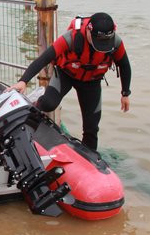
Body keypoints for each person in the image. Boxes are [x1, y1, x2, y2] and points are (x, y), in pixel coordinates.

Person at [9, 12, 131, 152]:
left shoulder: (115, 43)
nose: (102, 46)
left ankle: (89, 160)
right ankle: (31, 112)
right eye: (99, 41)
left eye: (105, 43)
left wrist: (125, 93)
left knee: (91, 127)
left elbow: (125, 66)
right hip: (66, 74)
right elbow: (44, 58)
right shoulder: (71, 38)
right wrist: (23, 81)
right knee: (48, 104)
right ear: (89, 31)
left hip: (91, 81)